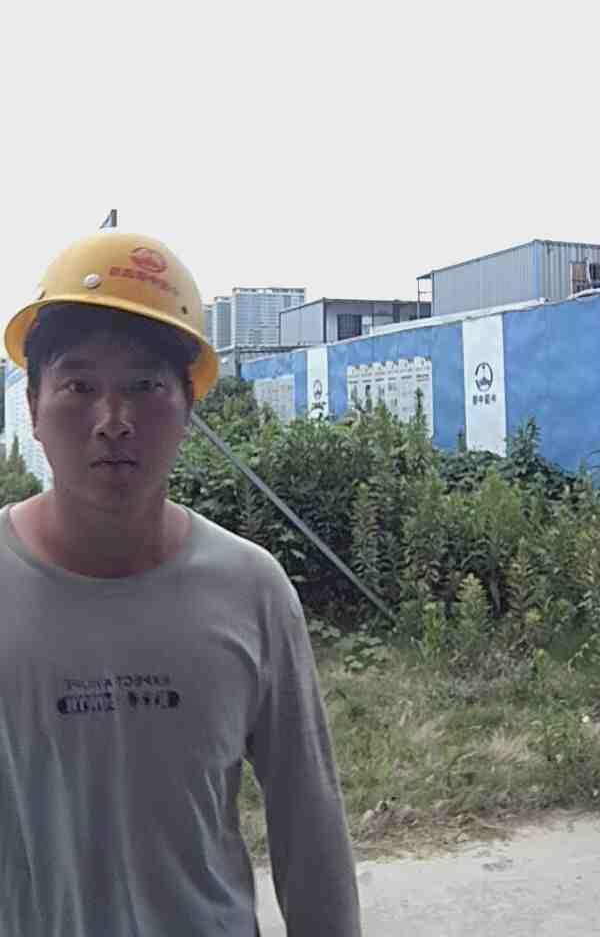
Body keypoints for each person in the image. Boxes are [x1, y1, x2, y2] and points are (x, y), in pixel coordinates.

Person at [1, 231, 362, 936]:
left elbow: (310, 829)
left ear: (188, 409)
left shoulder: (250, 590)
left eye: (145, 386)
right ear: (35, 410)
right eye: (79, 386)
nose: (113, 422)